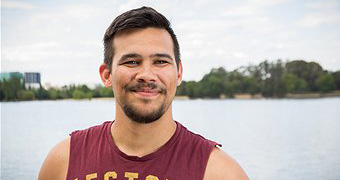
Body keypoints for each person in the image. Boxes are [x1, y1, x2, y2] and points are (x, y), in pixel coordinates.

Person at [38, 6, 249, 180]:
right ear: (106, 75)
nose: (147, 75)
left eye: (160, 61)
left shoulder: (220, 172)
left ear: (179, 73)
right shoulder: (63, 161)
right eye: (132, 62)